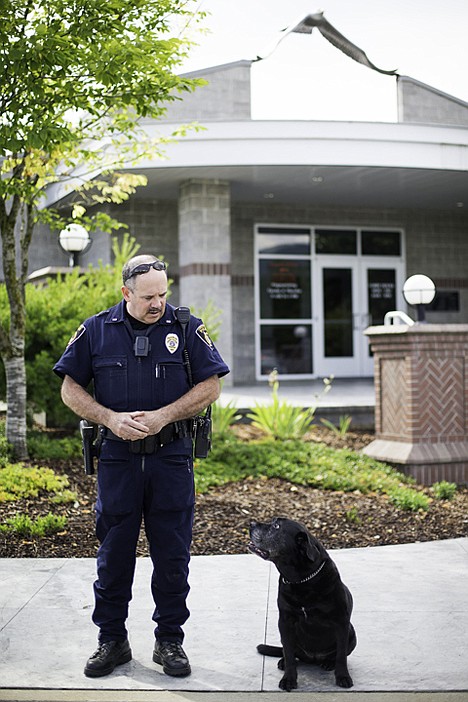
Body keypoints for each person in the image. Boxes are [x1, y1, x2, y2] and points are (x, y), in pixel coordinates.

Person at [53, 254, 229, 679]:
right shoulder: (97, 329)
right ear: (125, 293)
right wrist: (110, 418)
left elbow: (211, 386)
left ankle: (169, 640)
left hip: (171, 458)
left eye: (163, 294)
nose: (158, 303)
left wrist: (165, 415)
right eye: (148, 296)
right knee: (113, 555)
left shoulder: (186, 328)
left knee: (172, 555)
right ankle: (111, 640)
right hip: (117, 459)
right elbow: (69, 388)